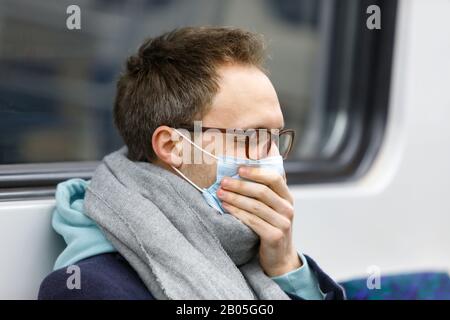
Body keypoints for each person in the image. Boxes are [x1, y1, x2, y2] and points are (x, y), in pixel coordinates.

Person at [38, 26, 345, 300]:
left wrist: (286, 269)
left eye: (276, 137)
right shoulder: (87, 288)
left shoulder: (263, 259)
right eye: (251, 136)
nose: (272, 157)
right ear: (174, 146)